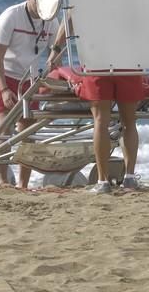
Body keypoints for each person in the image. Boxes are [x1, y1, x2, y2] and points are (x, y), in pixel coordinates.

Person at [48, 18, 143, 194]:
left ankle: (103, 181)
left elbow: (70, 16)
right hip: (128, 58)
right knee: (129, 122)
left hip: (97, 58)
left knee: (101, 121)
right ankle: (129, 178)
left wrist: (56, 49)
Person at [0, 0, 60, 188]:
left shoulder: (51, 21)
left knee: (28, 131)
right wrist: (4, 89)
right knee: (5, 125)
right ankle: (1, 178)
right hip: (1, 71)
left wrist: (54, 83)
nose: (43, 7)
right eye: (39, 1)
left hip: (29, 77)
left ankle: (23, 184)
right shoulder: (11, 16)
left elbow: (56, 58)